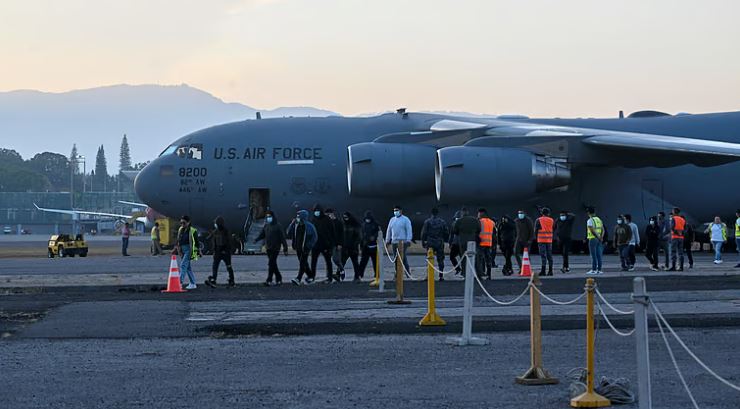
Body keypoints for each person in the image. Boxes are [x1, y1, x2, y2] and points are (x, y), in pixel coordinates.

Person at [255, 210, 288, 286]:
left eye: (269, 216)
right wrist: (256, 239)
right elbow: (263, 234)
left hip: (275, 248)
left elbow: (282, 238)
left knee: (271, 263)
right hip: (268, 247)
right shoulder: (266, 225)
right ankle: (279, 278)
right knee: (273, 264)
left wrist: (285, 249)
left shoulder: (278, 226)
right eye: (267, 217)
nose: (268, 218)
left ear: (273, 217)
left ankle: (269, 280)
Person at [287, 210, 318, 285]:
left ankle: (298, 278)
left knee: (302, 263)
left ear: (302, 217)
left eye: (299, 216)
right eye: (297, 216)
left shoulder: (309, 226)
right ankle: (311, 276)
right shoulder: (296, 225)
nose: (297, 217)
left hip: (305, 248)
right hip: (298, 247)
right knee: (304, 263)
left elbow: (314, 237)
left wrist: (309, 245)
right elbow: (288, 232)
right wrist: (292, 223)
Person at [310, 204, 339, 283]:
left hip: (325, 244)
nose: (316, 212)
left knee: (328, 261)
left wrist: (332, 244)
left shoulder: (327, 219)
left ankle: (329, 277)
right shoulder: (313, 219)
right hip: (315, 244)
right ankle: (312, 276)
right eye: (315, 211)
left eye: (317, 211)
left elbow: (332, 232)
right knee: (313, 261)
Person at [205, 216, 236, 287]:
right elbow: (212, 239)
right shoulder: (216, 231)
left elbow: (229, 242)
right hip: (218, 252)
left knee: (228, 266)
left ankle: (232, 280)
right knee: (216, 266)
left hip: (225, 252)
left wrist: (226, 250)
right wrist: (214, 251)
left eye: (216, 223)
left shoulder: (225, 231)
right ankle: (214, 279)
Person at [420, 207, 449, 281]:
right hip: (439, 241)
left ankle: (429, 275)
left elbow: (424, 233)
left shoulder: (428, 221)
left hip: (430, 242)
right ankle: (441, 276)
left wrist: (423, 242)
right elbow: (446, 232)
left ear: (431, 213)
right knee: (441, 260)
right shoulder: (442, 222)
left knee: (429, 259)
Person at [452, 207, 481, 275]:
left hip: (463, 242)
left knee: (464, 258)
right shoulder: (474, 220)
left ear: (462, 212)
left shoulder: (459, 221)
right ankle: (479, 274)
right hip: (473, 241)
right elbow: (479, 229)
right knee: (475, 258)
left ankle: (464, 273)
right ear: (468, 212)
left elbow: (455, 231)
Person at [174, 215, 199, 289]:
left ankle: (179, 282)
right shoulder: (181, 229)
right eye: (181, 223)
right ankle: (193, 283)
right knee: (188, 267)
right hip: (182, 249)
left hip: (189, 249)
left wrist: (197, 251)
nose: (182, 224)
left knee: (183, 265)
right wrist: (178, 249)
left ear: (188, 222)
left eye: (184, 223)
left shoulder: (192, 230)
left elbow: (196, 242)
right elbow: (178, 240)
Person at [386, 205, 412, 274]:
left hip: (403, 241)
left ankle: (406, 272)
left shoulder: (405, 219)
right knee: (396, 258)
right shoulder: (392, 220)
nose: (395, 212)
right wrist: (387, 240)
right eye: (394, 211)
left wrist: (409, 239)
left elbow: (409, 230)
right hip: (394, 241)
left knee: (402, 257)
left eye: (397, 210)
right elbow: (389, 231)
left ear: (401, 211)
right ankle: (398, 272)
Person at [339, 212, 362, 282]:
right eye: (344, 217)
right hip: (345, 247)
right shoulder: (342, 225)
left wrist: (354, 244)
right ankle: (338, 275)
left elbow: (358, 237)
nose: (345, 219)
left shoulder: (355, 225)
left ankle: (357, 277)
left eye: (346, 217)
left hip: (353, 247)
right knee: (341, 262)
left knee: (355, 263)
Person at [358, 211, 381, 279]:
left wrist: (374, 237)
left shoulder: (375, 224)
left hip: (374, 245)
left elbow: (379, 232)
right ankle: (360, 274)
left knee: (375, 262)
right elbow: (361, 236)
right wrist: (361, 246)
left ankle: (377, 275)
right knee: (363, 261)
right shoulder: (363, 225)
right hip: (366, 246)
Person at [325, 208, 346, 281]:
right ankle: (329, 275)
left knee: (336, 259)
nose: (327, 216)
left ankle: (342, 270)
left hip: (336, 244)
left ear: (332, 214)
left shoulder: (338, 222)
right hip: (328, 244)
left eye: (328, 214)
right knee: (327, 260)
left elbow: (341, 234)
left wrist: (340, 244)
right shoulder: (327, 223)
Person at [533, 208, 554, 276]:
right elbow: (554, 228)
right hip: (549, 240)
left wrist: (536, 237)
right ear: (549, 213)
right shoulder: (551, 220)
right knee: (549, 255)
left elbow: (535, 230)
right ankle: (550, 271)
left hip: (541, 240)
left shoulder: (538, 220)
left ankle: (543, 271)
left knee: (543, 256)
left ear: (542, 213)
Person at [475, 208, 495, 279]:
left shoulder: (479, 221)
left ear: (481, 213)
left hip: (481, 244)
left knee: (479, 260)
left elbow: (476, 231)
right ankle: (489, 275)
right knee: (488, 260)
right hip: (488, 243)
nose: (478, 215)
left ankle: (480, 275)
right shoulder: (491, 222)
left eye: (479, 213)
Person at [586, 207, 604, 275]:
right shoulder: (599, 220)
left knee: (593, 255)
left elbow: (592, 230)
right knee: (599, 255)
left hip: (593, 238)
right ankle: (599, 270)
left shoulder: (590, 220)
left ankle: (593, 269)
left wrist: (598, 237)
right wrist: (601, 237)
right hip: (599, 239)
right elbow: (603, 229)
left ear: (588, 213)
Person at [448, 210, 464, 275]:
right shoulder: (463, 224)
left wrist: (450, 243)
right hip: (461, 243)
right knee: (462, 257)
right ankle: (461, 270)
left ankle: (458, 269)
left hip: (456, 243)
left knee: (452, 257)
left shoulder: (454, 223)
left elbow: (451, 235)